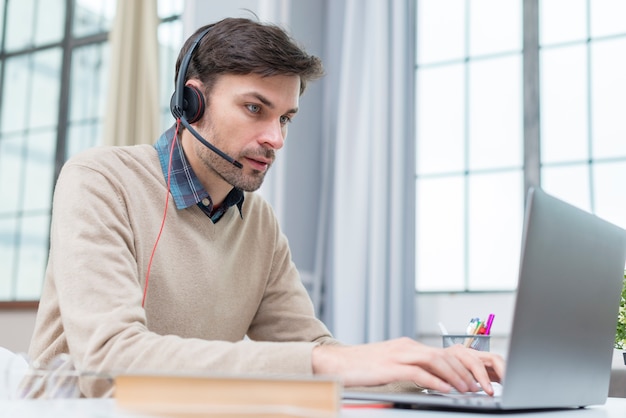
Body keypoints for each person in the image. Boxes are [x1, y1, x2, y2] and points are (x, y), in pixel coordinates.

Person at [28, 17, 504, 398]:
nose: (275, 139)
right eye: (256, 109)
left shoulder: (258, 223)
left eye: (286, 118)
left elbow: (314, 350)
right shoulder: (99, 181)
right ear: (191, 102)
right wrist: (325, 362)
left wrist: (431, 369)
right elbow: (107, 361)